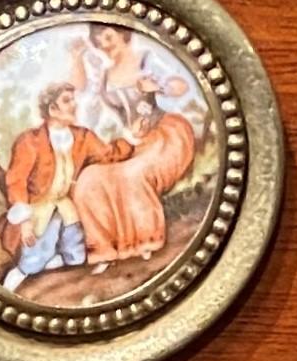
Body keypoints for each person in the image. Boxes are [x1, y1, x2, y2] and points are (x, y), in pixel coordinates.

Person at [72, 83, 204, 276]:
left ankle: (146, 241)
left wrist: (159, 88)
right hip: (133, 144)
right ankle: (105, 249)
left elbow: (182, 88)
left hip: (167, 136)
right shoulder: (95, 73)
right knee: (90, 179)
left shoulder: (143, 60)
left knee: (133, 175)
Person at [0, 78, 108, 290]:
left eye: (73, 99)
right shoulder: (30, 141)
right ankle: (11, 284)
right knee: (31, 261)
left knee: (76, 257)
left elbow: (108, 155)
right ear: (53, 109)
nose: (74, 105)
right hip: (39, 209)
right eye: (67, 101)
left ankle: (53, 261)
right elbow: (16, 181)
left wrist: (132, 139)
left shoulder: (82, 136)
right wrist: (25, 221)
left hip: (67, 207)